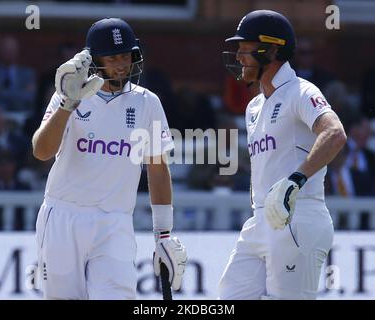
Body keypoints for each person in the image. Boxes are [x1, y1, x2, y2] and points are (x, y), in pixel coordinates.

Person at [32, 17, 187, 300]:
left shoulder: (147, 102)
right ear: (94, 60)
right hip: (64, 216)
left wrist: (163, 233)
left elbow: (157, 167)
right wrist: (69, 103)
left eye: (126, 55)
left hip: (115, 222)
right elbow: (41, 151)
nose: (121, 64)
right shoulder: (67, 95)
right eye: (112, 57)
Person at [218, 10, 346, 300]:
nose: (238, 57)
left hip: (298, 218)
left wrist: (296, 179)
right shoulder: (254, 107)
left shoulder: (301, 91)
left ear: (271, 49)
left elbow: (335, 133)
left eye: (245, 49)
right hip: (260, 220)